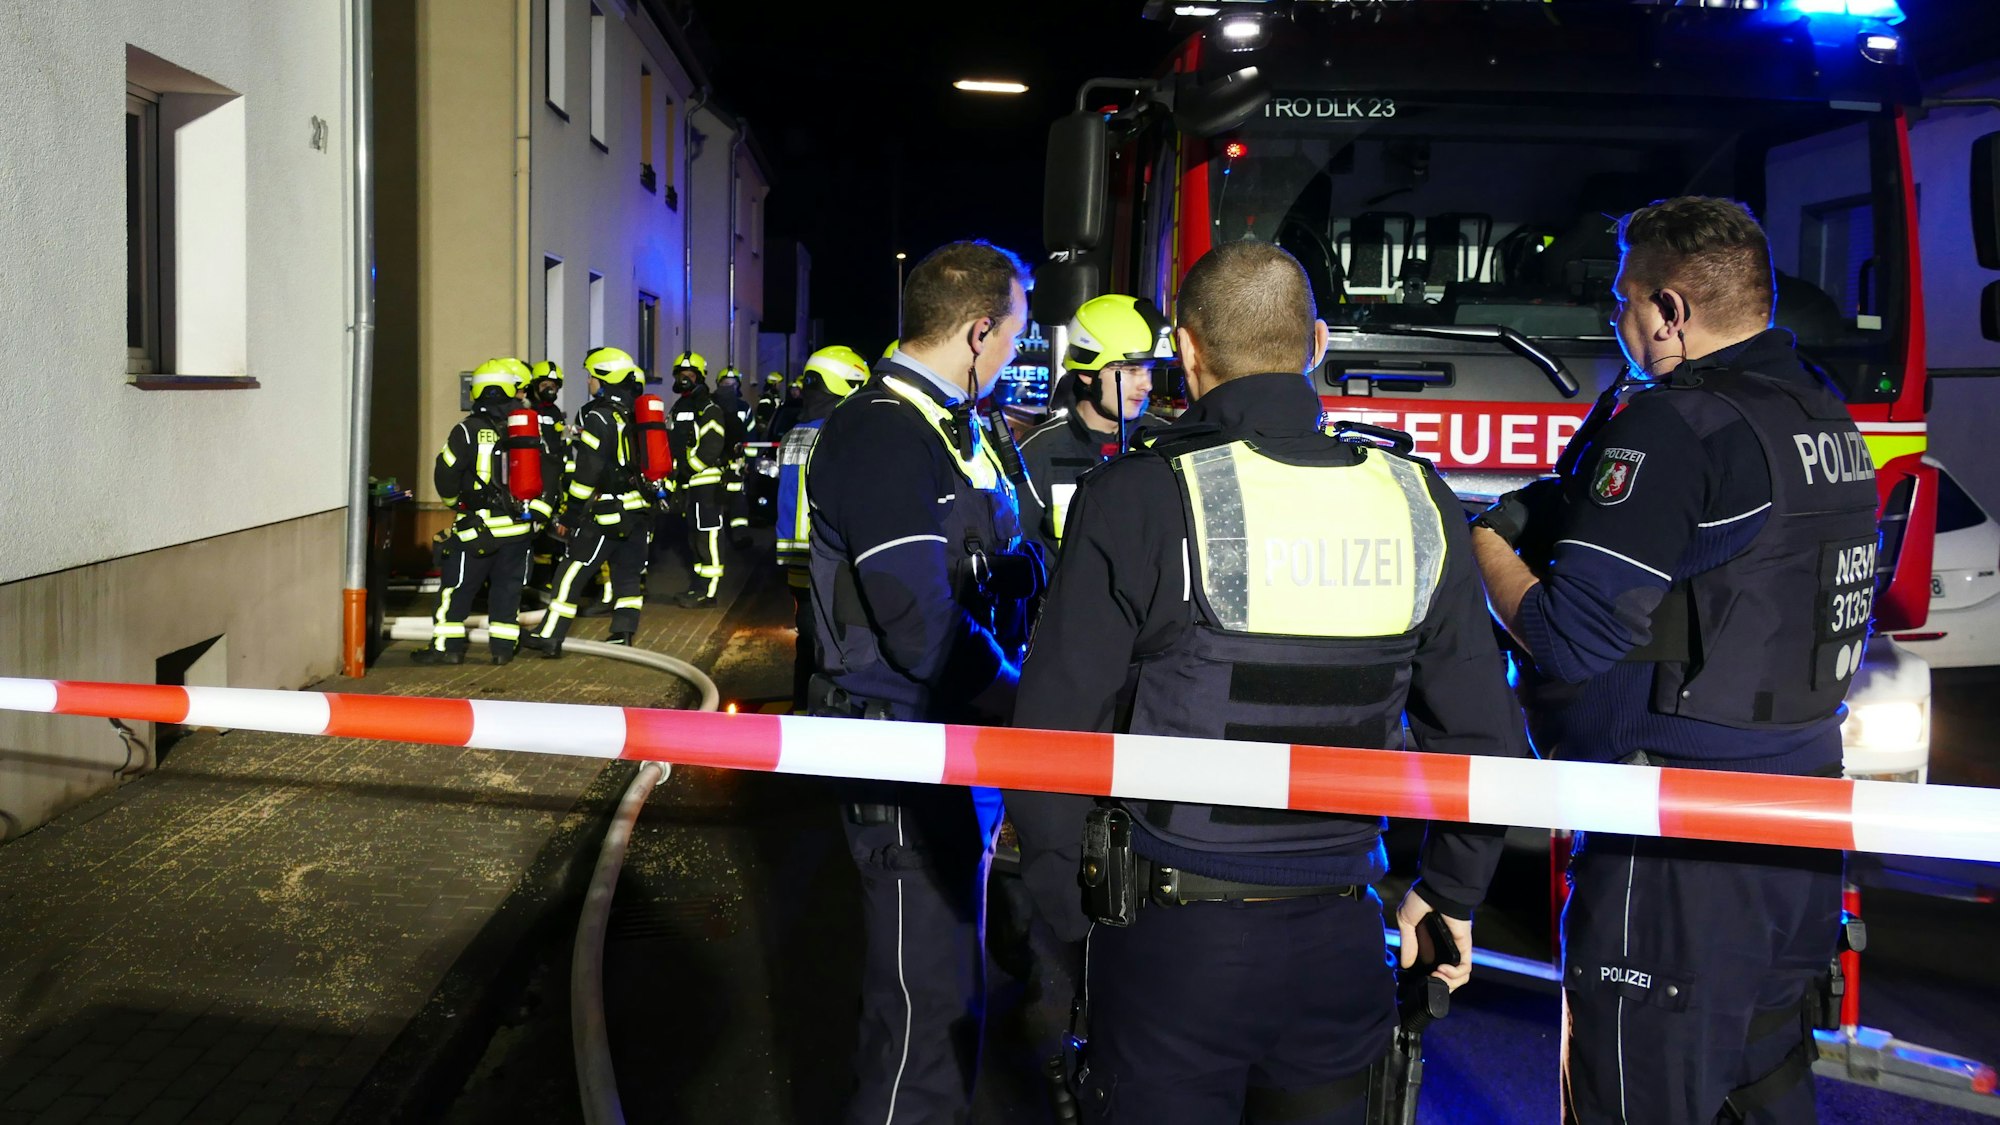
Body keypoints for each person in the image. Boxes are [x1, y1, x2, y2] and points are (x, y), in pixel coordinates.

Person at [1010, 240, 1529, 1124]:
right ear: (1317, 345)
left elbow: (1053, 730)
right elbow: (1486, 736)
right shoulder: (1418, 501)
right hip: (1341, 938)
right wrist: (1451, 890)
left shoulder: (1139, 496)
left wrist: (1073, 922)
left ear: (1187, 349)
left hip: (1169, 938)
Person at [1472, 197, 1877, 1124]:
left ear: (1669, 311)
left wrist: (1478, 546)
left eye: (1624, 299)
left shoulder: (1677, 424)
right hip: (1799, 818)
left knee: (1635, 1095)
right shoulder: (1818, 412)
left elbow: (1570, 634)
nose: (1616, 319)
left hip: (1674, 845)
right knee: (1758, 1086)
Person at [806, 240, 1039, 1123]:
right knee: (923, 1018)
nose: (1013, 356)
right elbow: (919, 625)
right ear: (977, 331)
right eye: (1012, 337)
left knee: (949, 998)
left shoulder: (952, 426)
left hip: (950, 741)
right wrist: (1024, 699)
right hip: (903, 749)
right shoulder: (881, 432)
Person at [1016, 293, 1167, 562]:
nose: (1147, 384)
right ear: (1087, 373)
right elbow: (1016, 551)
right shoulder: (1038, 451)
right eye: (1131, 370)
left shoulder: (1165, 443)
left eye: (1149, 369)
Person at [523, 347, 654, 656]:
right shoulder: (637, 412)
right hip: (638, 510)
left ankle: (550, 637)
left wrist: (571, 515)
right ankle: (623, 633)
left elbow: (588, 472)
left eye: (591, 376)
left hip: (607, 511)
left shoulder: (598, 416)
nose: (588, 382)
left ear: (605, 379)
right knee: (627, 575)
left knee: (571, 571)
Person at [416, 357, 538, 666]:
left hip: (477, 529)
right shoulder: (525, 428)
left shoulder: (467, 430)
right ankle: (503, 650)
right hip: (518, 529)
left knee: (457, 588)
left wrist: (454, 503)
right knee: (508, 591)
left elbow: (446, 472)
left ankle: (447, 648)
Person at [774, 344, 869, 712]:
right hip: (827, 557)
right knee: (833, 643)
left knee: (807, 637)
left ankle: (801, 706)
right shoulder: (839, 435)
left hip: (794, 557)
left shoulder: (794, 434)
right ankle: (826, 714)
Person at [663, 352, 729, 608]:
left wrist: (687, 469)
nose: (684, 380)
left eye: (690, 375)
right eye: (681, 375)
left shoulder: (709, 409)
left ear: (700, 377)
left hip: (706, 485)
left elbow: (711, 446)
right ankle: (698, 586)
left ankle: (708, 592)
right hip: (689, 485)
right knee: (693, 538)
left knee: (707, 537)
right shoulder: (678, 408)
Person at [523, 359, 569, 605]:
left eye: (554, 385)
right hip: (533, 478)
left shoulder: (554, 413)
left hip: (553, 478)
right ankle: (534, 582)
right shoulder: (528, 410)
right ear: (535, 385)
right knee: (535, 532)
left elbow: (560, 443)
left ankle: (547, 580)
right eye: (545, 385)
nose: (550, 389)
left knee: (552, 534)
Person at [715, 366, 754, 547]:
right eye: (725, 384)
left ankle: (739, 534)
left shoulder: (744, 408)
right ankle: (717, 534)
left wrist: (749, 462)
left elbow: (751, 437)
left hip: (737, 462)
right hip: (715, 461)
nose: (729, 388)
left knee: (738, 499)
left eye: (732, 384)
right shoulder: (712, 406)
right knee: (714, 499)